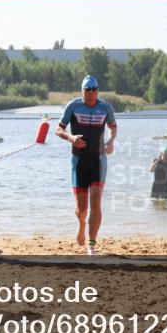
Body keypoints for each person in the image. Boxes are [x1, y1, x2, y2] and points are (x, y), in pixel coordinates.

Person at [55, 75, 117, 255]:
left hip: (98, 160)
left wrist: (111, 141)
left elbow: (113, 127)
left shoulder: (105, 107)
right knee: (82, 209)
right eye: (87, 90)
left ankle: (92, 244)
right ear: (82, 91)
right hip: (79, 161)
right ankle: (82, 224)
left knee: (96, 201)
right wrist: (71, 137)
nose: (90, 93)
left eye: (93, 90)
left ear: (97, 90)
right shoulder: (73, 106)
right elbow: (58, 129)